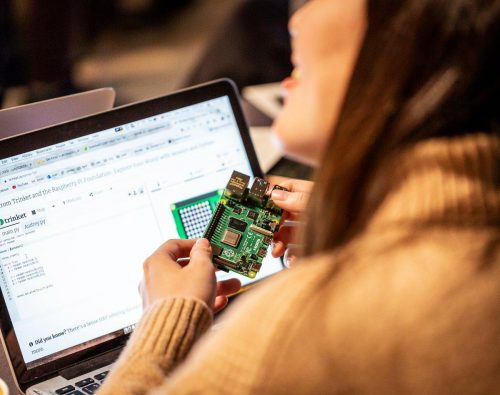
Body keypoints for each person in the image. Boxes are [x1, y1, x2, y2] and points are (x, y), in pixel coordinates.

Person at [98, 0, 500, 393]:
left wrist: (166, 318)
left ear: (391, 71)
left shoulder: (297, 324)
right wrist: (363, 219)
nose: (285, 83)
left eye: (300, 69)